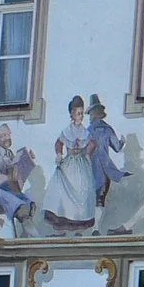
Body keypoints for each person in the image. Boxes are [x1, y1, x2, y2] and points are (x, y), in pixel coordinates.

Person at [44, 94, 98, 231]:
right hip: (70, 162)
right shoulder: (67, 131)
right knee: (64, 188)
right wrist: (59, 154)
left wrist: (87, 153)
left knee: (83, 188)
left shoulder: (84, 131)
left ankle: (80, 222)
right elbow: (59, 143)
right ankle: (64, 220)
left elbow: (92, 143)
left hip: (81, 163)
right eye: (78, 114)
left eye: (82, 114)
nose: (81, 116)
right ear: (72, 115)